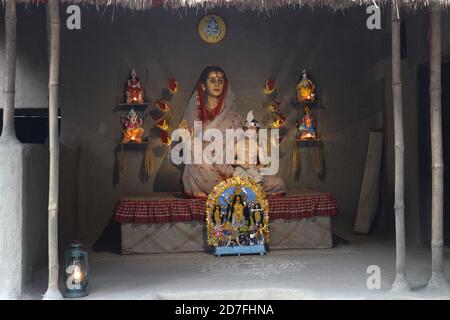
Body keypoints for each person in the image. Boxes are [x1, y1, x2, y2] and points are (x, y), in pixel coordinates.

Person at [179, 66, 241, 198]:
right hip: (199, 166)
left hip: (224, 168)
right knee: (192, 148)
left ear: (225, 85)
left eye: (220, 80)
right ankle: (223, 191)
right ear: (203, 86)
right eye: (212, 80)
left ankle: (226, 189)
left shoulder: (233, 116)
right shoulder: (193, 114)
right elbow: (186, 144)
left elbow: (238, 147)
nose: (217, 84)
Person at [232, 111, 287, 196]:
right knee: (237, 177)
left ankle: (256, 191)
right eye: (247, 129)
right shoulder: (239, 144)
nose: (249, 131)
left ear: (257, 132)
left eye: (252, 129)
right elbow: (230, 160)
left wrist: (260, 166)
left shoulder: (257, 146)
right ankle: (249, 191)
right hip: (241, 170)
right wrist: (240, 163)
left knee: (279, 182)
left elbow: (263, 161)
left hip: (253, 171)